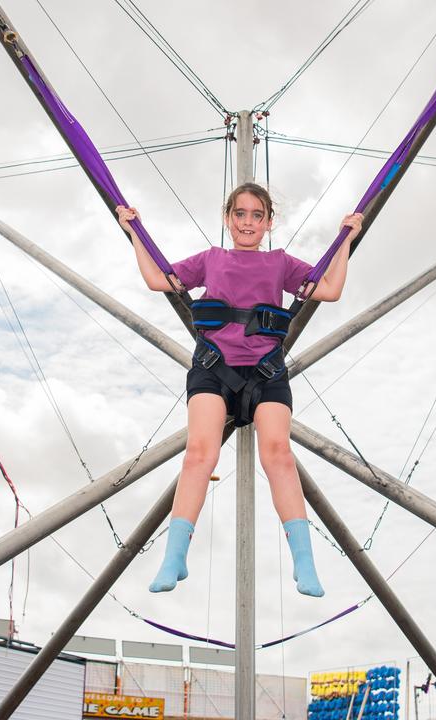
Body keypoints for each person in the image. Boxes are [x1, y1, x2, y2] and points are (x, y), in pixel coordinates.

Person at [117, 183, 362, 597]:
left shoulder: (280, 264)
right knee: (199, 454)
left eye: (256, 215)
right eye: (240, 214)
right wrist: (134, 232)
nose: (247, 222)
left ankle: (304, 561)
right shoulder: (211, 259)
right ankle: (175, 556)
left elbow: (330, 290)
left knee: (279, 454)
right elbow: (159, 279)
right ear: (228, 219)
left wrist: (345, 241)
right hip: (214, 368)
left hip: (265, 371)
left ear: (268, 222)